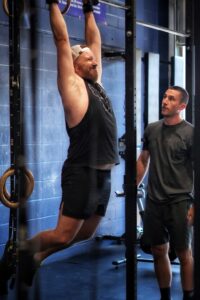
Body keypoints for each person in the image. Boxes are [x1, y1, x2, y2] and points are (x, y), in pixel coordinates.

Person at [0, 0, 119, 287]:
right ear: (75, 65)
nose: (94, 61)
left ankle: (35, 258)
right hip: (81, 171)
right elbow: (63, 39)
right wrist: (53, 4)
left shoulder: (97, 85)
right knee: (64, 234)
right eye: (88, 59)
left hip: (103, 173)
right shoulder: (73, 86)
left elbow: (94, 41)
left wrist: (89, 10)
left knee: (86, 234)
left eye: (94, 58)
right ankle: (22, 250)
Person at [137, 86, 194, 300]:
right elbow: (143, 160)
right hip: (154, 200)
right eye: (164, 97)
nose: (165, 101)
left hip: (180, 200)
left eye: (171, 99)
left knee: (183, 253)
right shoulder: (152, 129)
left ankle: (188, 295)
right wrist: (133, 186)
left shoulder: (190, 133)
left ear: (181, 106)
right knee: (159, 251)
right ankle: (165, 297)